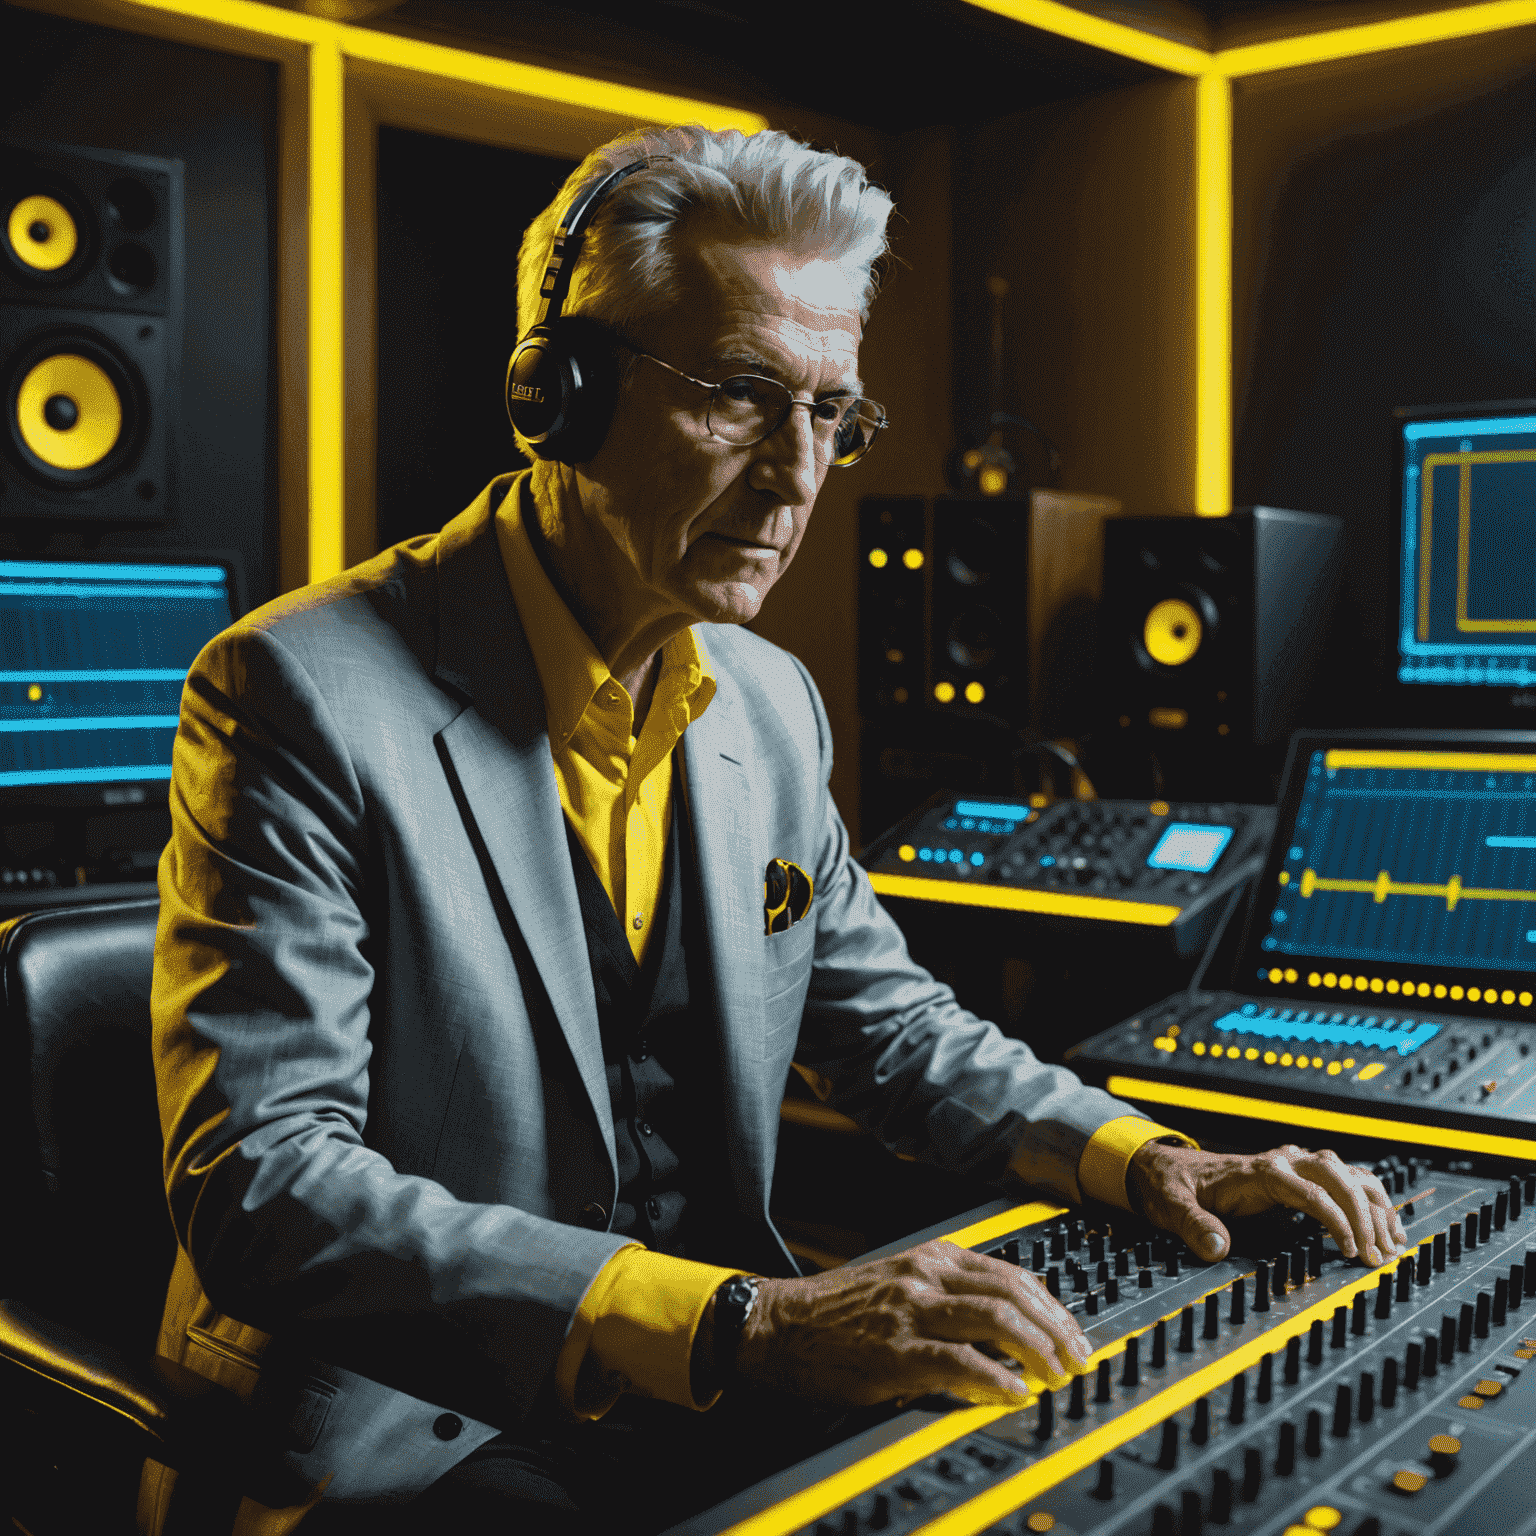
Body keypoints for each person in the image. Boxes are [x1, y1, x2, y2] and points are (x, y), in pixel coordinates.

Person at [143, 125, 1408, 1535]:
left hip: (705, 1382)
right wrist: (745, 1325)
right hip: (403, 1430)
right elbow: (265, 1187)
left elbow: (894, 1033)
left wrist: (1147, 1156)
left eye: (831, 415)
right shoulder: (295, 689)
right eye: (743, 394)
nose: (798, 471)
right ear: (553, 390)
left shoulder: (768, 703)